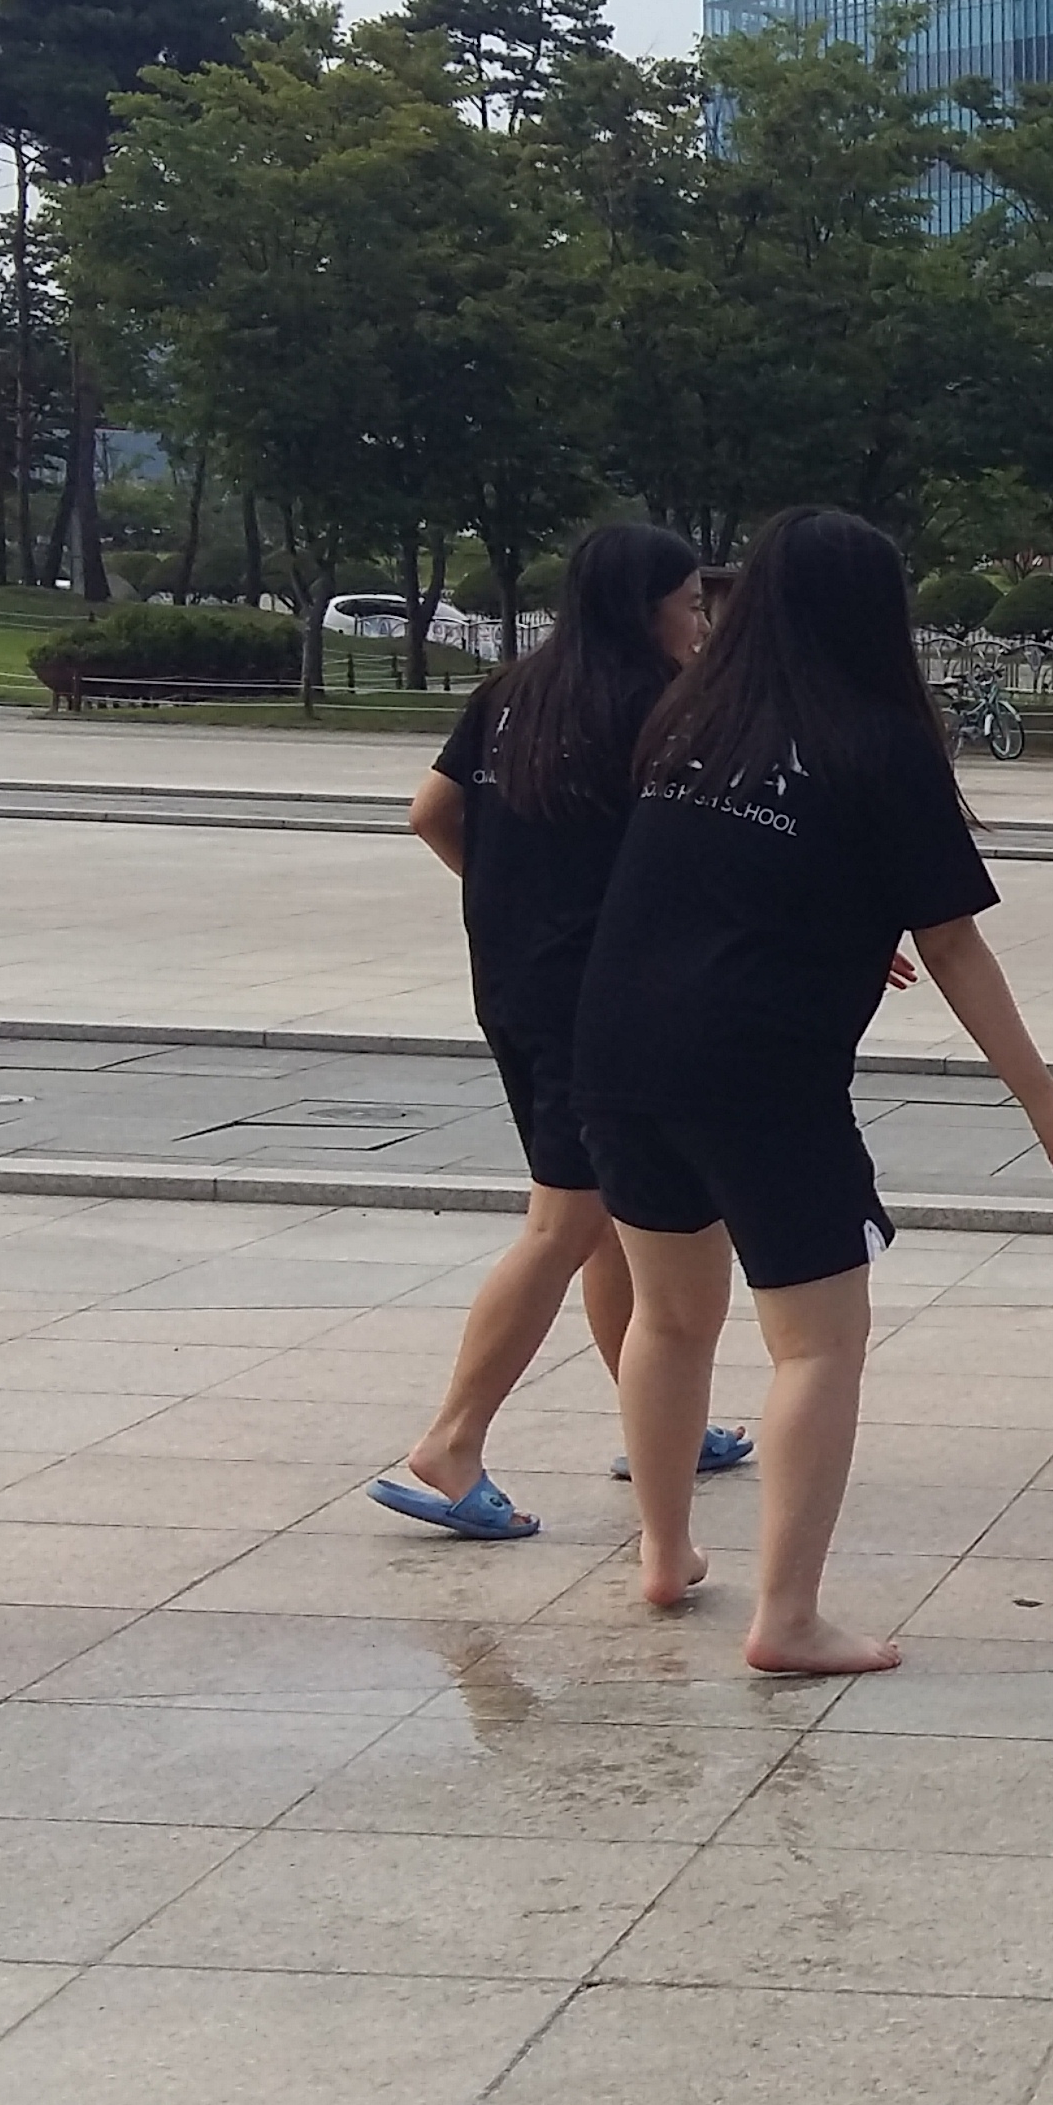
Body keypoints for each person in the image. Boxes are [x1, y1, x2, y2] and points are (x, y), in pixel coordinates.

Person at [574, 507, 1053, 1675]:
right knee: (818, 1346)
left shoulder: (689, 720)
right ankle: (787, 1617)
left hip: (619, 1050)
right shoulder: (876, 740)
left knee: (668, 1318)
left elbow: (711, 876)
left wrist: (838, 926)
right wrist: (1040, 1096)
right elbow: (953, 941)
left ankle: (663, 1554)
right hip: (761, 1073)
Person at [370, 521, 753, 1543]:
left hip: (512, 986)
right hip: (603, 1006)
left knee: (613, 1213)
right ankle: (450, 1442)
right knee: (566, 1224)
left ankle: (663, 1419)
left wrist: (512, 896)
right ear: (644, 608)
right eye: (690, 605)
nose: (701, 625)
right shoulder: (660, 708)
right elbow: (699, 863)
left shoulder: (508, 694)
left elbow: (429, 813)